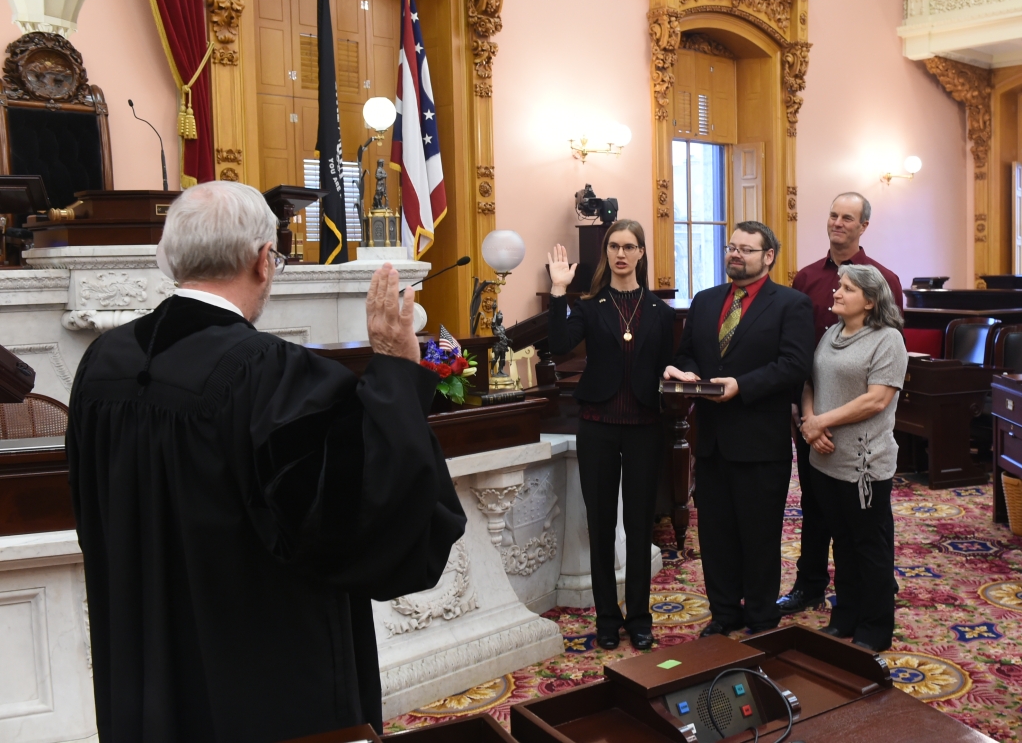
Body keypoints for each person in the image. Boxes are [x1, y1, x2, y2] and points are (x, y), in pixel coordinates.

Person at [67, 182, 466, 743]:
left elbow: (90, 511)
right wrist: (397, 375)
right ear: (262, 260)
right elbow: (355, 521)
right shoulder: (269, 373)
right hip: (259, 681)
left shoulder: (101, 363)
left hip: (143, 660)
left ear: (170, 258)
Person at [664, 221, 813, 636]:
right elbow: (690, 353)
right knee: (715, 535)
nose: (736, 255)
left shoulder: (791, 304)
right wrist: (685, 372)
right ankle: (724, 613)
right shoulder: (706, 300)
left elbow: (794, 366)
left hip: (761, 442)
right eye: (732, 247)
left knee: (759, 536)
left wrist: (741, 386)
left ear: (768, 257)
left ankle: (762, 616)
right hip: (710, 442)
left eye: (747, 249)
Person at [546, 220, 675, 651]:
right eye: (614, 246)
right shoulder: (590, 306)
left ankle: (639, 617)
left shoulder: (659, 311)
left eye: (629, 247)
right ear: (607, 253)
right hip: (598, 427)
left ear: (641, 253)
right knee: (601, 526)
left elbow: (668, 363)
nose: (621, 254)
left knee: (639, 527)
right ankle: (607, 617)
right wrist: (559, 291)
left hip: (644, 427)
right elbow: (561, 343)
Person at [780, 191, 904, 615]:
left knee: (867, 517)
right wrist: (806, 413)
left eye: (847, 218)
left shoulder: (881, 278)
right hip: (812, 413)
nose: (838, 223)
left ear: (863, 226)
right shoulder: (807, 278)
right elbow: (800, 351)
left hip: (861, 423)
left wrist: (834, 417)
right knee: (816, 507)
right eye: (833, 215)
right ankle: (811, 583)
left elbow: (888, 352)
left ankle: (874, 587)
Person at [799, 263, 907, 651]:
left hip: (865, 465)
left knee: (869, 546)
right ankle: (845, 616)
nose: (836, 292)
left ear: (871, 300)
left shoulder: (887, 340)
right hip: (825, 459)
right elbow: (810, 380)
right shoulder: (830, 333)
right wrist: (811, 421)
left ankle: (875, 627)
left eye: (847, 289)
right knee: (841, 543)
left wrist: (819, 422)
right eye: (839, 286)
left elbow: (876, 399)